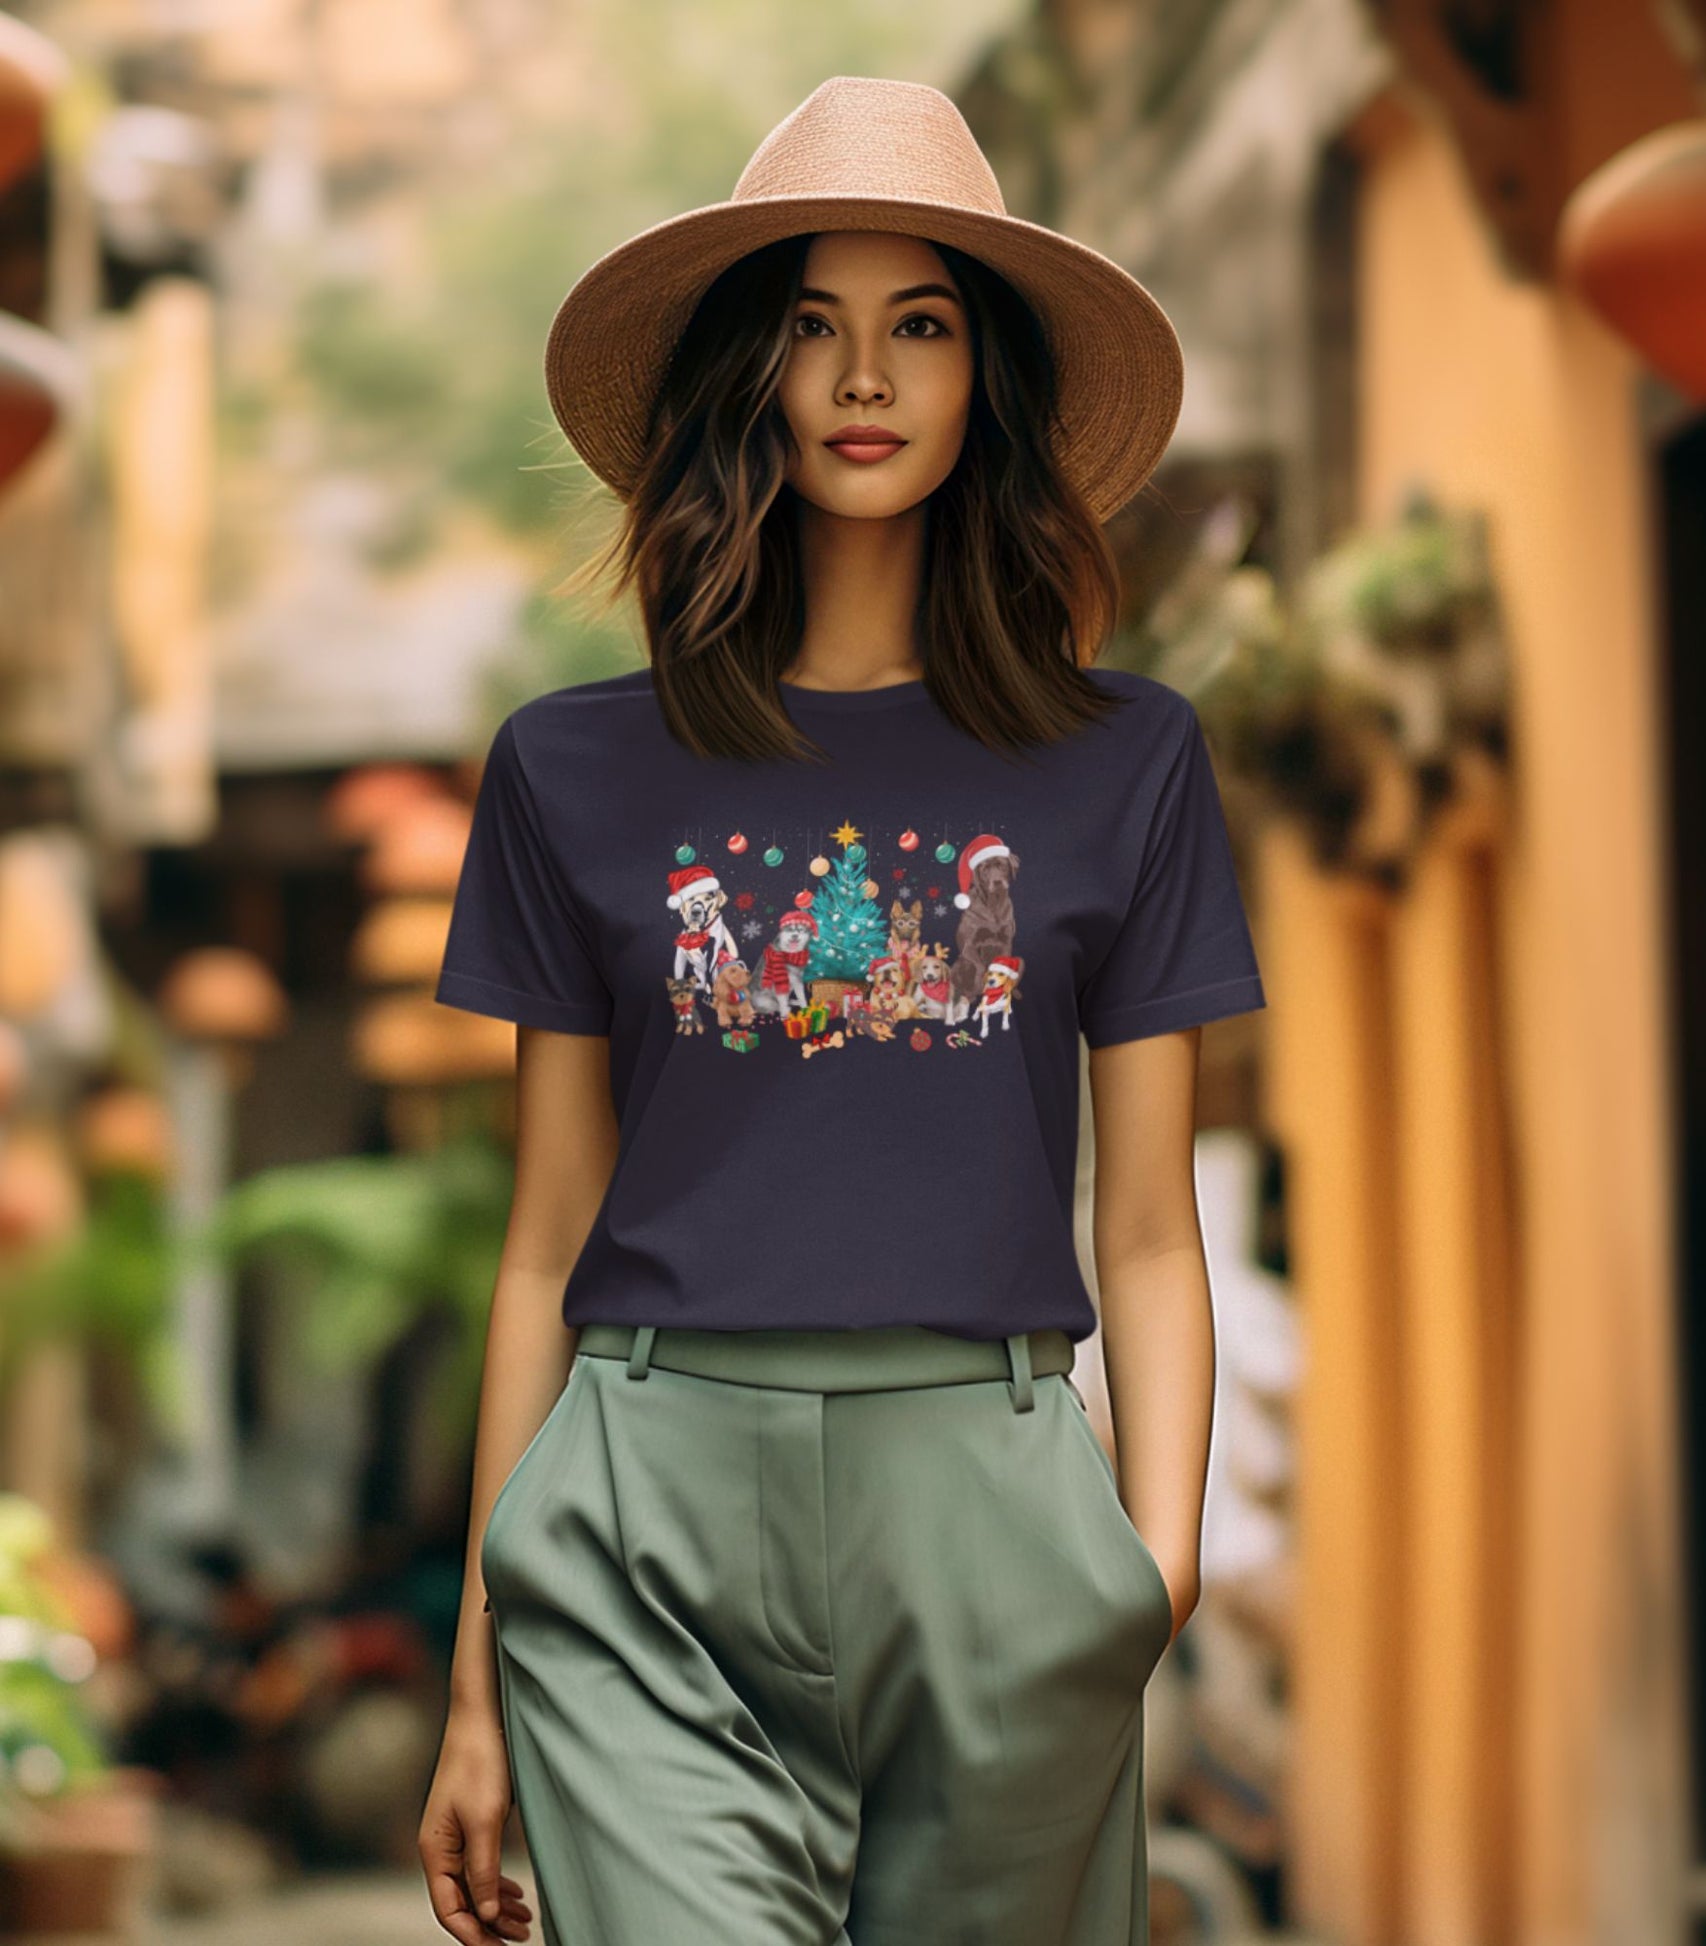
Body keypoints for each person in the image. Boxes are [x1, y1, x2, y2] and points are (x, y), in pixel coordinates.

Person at [416, 73, 1266, 1946]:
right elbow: (540, 1234)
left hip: (995, 1504)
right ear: (752, 378)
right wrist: (477, 1684)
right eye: (811, 328)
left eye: (921, 326)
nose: (864, 379)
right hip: (649, 1510)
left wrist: (1153, 1564)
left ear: (986, 385)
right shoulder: (572, 771)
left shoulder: (1123, 762)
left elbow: (1145, 1222)